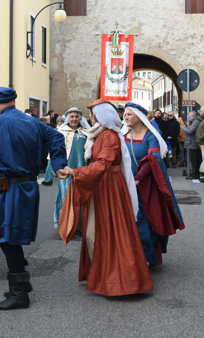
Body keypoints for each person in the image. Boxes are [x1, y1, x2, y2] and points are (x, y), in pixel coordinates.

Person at [0, 87, 67, 310]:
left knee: (6, 236)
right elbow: (56, 137)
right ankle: (19, 280)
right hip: (25, 186)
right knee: (4, 234)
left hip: (8, 189)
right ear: (13, 101)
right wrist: (58, 164)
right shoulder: (33, 122)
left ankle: (20, 292)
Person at [57, 99, 153, 296]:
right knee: (96, 231)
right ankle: (101, 272)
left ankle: (120, 279)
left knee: (111, 231)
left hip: (109, 186)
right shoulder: (99, 134)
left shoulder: (108, 137)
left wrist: (75, 172)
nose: (89, 118)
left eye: (92, 114)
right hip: (100, 184)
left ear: (99, 116)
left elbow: (103, 164)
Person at [122, 103, 185, 266]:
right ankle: (133, 257)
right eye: (125, 114)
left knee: (144, 221)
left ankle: (144, 259)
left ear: (140, 117)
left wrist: (138, 178)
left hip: (146, 186)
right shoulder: (122, 135)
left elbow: (153, 159)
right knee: (129, 222)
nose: (125, 117)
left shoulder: (150, 136)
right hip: (125, 185)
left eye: (129, 114)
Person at [44, 107, 89, 227]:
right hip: (66, 169)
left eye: (76, 116)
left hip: (82, 170)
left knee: (81, 196)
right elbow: (53, 154)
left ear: (80, 118)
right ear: (67, 118)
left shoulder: (86, 133)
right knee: (65, 195)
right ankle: (65, 224)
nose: (74, 119)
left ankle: (79, 225)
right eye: (72, 116)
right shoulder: (60, 132)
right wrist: (51, 171)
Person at [182, 110, 201, 180]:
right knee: (193, 159)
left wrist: (183, 128)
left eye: (189, 117)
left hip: (193, 144)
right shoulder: (195, 121)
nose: (188, 118)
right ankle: (195, 174)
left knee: (194, 160)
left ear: (193, 116)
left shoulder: (196, 122)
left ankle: (195, 175)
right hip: (192, 143)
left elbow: (190, 131)